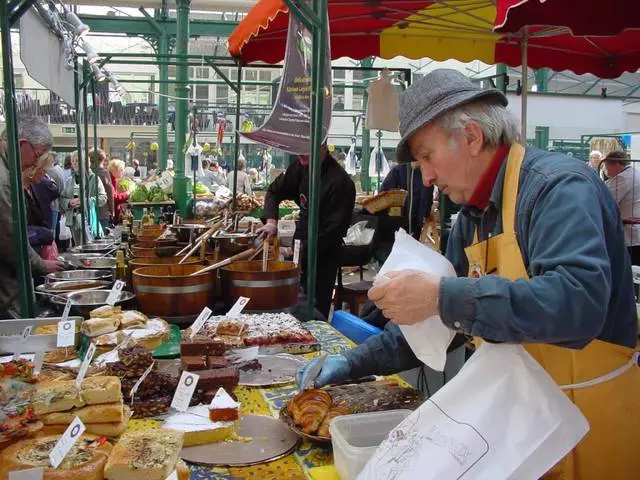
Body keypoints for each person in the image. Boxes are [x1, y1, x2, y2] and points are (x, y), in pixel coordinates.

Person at [297, 69, 639, 478]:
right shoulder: (472, 220)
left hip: (590, 425)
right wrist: (352, 362)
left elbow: (577, 306)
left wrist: (441, 296)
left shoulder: (557, 189)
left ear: (472, 137)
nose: (425, 177)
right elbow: (435, 329)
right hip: (522, 428)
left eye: (427, 156)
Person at [258, 144, 356, 319]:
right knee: (293, 306)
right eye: (299, 151)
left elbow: (333, 232)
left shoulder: (340, 182)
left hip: (323, 255)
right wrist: (271, 222)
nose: (301, 156)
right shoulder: (299, 166)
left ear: (323, 147)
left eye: (307, 152)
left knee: (315, 312)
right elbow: (274, 191)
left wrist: (298, 250)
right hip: (299, 247)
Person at [0, 116, 65, 316]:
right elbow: (10, 236)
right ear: (22, 144)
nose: (36, 163)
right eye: (38, 155)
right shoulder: (4, 180)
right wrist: (40, 264)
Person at [61, 152, 107, 246]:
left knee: (88, 247)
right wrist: (69, 203)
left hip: (88, 219)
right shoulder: (70, 180)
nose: (74, 163)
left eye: (77, 161)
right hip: (73, 220)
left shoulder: (94, 178)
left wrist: (87, 201)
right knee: (78, 249)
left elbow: (103, 198)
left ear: (85, 162)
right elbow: (62, 199)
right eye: (72, 161)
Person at [603, 150, 640, 264]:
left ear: (617, 164)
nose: (607, 171)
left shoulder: (622, 179)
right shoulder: (636, 174)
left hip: (630, 235)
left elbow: (606, 200)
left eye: (608, 167)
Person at [381, 162, 434, 239]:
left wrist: (425, 213)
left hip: (414, 220)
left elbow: (428, 195)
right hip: (398, 219)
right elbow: (384, 193)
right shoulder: (399, 170)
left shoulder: (425, 172)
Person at [92, 149, 114, 233]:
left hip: (90, 211)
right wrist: (112, 212)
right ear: (102, 159)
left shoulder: (86, 172)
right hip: (102, 211)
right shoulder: (104, 173)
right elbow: (109, 193)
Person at [108, 159, 129, 224]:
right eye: (121, 170)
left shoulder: (113, 179)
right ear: (116, 170)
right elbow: (114, 198)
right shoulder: (109, 180)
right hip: (110, 217)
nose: (122, 172)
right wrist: (127, 194)